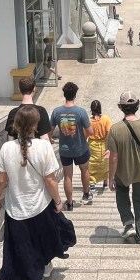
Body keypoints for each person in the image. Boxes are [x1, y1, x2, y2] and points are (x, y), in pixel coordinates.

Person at [0, 105, 74, 280]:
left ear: (16, 125)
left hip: (15, 207)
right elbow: (50, 180)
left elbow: (1, 181)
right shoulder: (44, 147)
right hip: (40, 204)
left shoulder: (6, 148)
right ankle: (44, 267)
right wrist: (58, 201)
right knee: (42, 238)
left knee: (22, 246)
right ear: (36, 126)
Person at [107, 91, 140, 244]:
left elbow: (113, 158)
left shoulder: (115, 129)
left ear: (121, 107)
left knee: (122, 195)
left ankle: (128, 223)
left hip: (122, 172)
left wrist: (110, 178)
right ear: (137, 106)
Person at [51, 82, 92, 210]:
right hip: (81, 148)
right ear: (75, 95)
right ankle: (86, 194)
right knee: (85, 170)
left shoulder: (56, 112)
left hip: (65, 150)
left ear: (64, 94)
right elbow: (91, 131)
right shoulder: (81, 112)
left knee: (67, 176)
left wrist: (51, 139)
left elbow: (49, 131)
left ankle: (69, 203)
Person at [5, 76, 51, 142]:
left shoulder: (13, 112)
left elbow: (10, 138)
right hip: (36, 148)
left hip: (18, 147)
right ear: (34, 89)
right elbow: (45, 138)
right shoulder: (41, 111)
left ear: (19, 89)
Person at [87, 99, 112, 190]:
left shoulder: (89, 121)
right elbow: (110, 132)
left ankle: (92, 183)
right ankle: (105, 182)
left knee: (92, 164)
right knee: (105, 163)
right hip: (104, 144)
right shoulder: (106, 119)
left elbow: (85, 133)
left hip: (92, 145)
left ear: (91, 109)